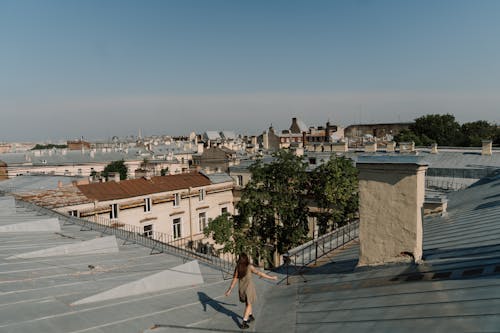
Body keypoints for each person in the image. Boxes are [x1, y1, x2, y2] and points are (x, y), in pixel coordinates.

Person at [225, 253, 278, 329]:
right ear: (246, 259)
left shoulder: (238, 268)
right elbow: (260, 273)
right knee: (249, 305)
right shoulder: (249, 267)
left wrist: (229, 290)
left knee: (248, 303)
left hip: (242, 289)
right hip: (249, 289)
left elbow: (235, 279)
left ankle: (250, 316)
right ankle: (244, 322)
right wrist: (272, 278)